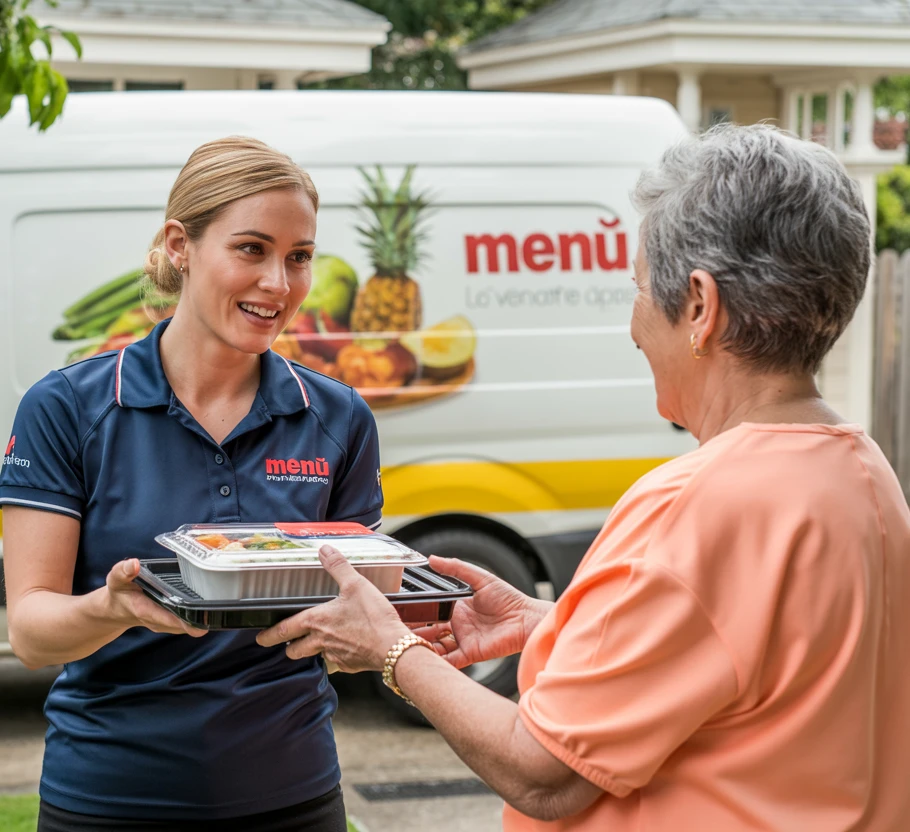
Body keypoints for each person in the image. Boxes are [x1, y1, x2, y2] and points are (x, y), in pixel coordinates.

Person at [257, 124, 910, 831]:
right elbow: (751, 664)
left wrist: (392, 649)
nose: (633, 326)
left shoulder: (697, 505)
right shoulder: (863, 477)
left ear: (699, 306)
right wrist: (556, 623)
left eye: (638, 289)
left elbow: (542, 774)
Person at [1, 137, 383, 831]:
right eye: (251, 249)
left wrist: (400, 619)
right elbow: (30, 632)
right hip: (109, 802)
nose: (279, 282)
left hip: (294, 797)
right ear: (180, 245)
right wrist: (112, 609)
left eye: (299, 256)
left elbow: (356, 617)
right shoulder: (67, 408)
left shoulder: (338, 417)